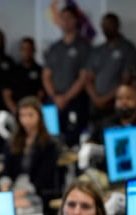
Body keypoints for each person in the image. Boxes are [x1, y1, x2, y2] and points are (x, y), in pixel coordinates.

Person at [0, 96, 61, 215]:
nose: (26, 120)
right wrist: (5, 190)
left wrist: (21, 193)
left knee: (23, 205)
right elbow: (6, 171)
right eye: (22, 115)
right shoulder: (12, 142)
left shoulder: (49, 144)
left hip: (37, 191)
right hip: (14, 190)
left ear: (39, 116)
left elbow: (44, 177)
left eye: (30, 115)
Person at [42, 5, 92, 147]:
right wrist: (54, 97)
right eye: (62, 18)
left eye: (69, 18)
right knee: (50, 140)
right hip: (54, 101)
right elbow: (46, 75)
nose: (65, 21)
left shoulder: (83, 46)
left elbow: (83, 77)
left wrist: (66, 98)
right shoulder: (54, 47)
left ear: (76, 20)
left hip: (74, 101)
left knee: (73, 142)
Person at [84, 13, 136, 122]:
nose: (107, 27)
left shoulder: (128, 49)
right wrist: (96, 99)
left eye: (110, 24)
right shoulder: (97, 50)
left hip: (116, 105)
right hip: (95, 105)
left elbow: (126, 80)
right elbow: (88, 78)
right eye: (104, 24)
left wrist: (104, 100)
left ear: (117, 25)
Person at [88, 84, 136, 158]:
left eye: (128, 98)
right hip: (106, 170)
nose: (123, 102)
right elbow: (90, 143)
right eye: (120, 98)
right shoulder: (105, 123)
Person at [3, 36, 45, 116]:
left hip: (34, 112)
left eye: (29, 49)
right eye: (24, 49)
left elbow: (41, 94)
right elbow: (7, 94)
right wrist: (16, 111)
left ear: (34, 50)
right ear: (20, 51)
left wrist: (33, 110)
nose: (26, 52)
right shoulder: (13, 70)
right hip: (16, 111)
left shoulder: (40, 70)